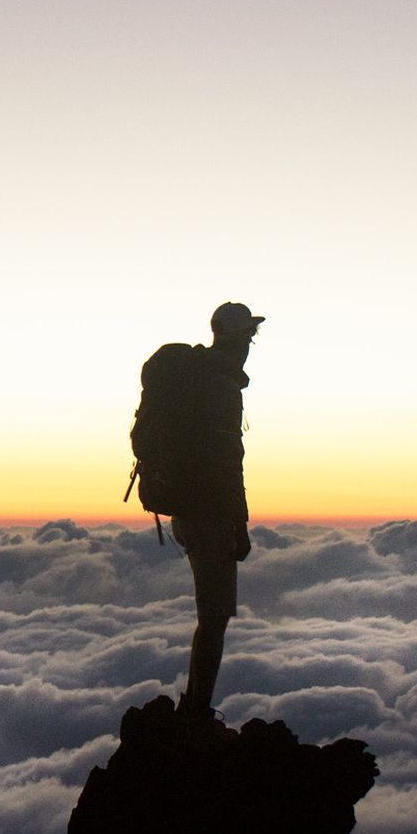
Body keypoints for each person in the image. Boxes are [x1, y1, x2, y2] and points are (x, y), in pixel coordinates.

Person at [175, 301, 260, 718]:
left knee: (211, 615)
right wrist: (238, 525)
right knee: (214, 616)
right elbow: (229, 459)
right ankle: (195, 713)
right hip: (209, 513)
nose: (251, 344)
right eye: (249, 335)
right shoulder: (222, 386)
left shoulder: (197, 377)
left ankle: (195, 708)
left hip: (186, 510)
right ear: (237, 338)